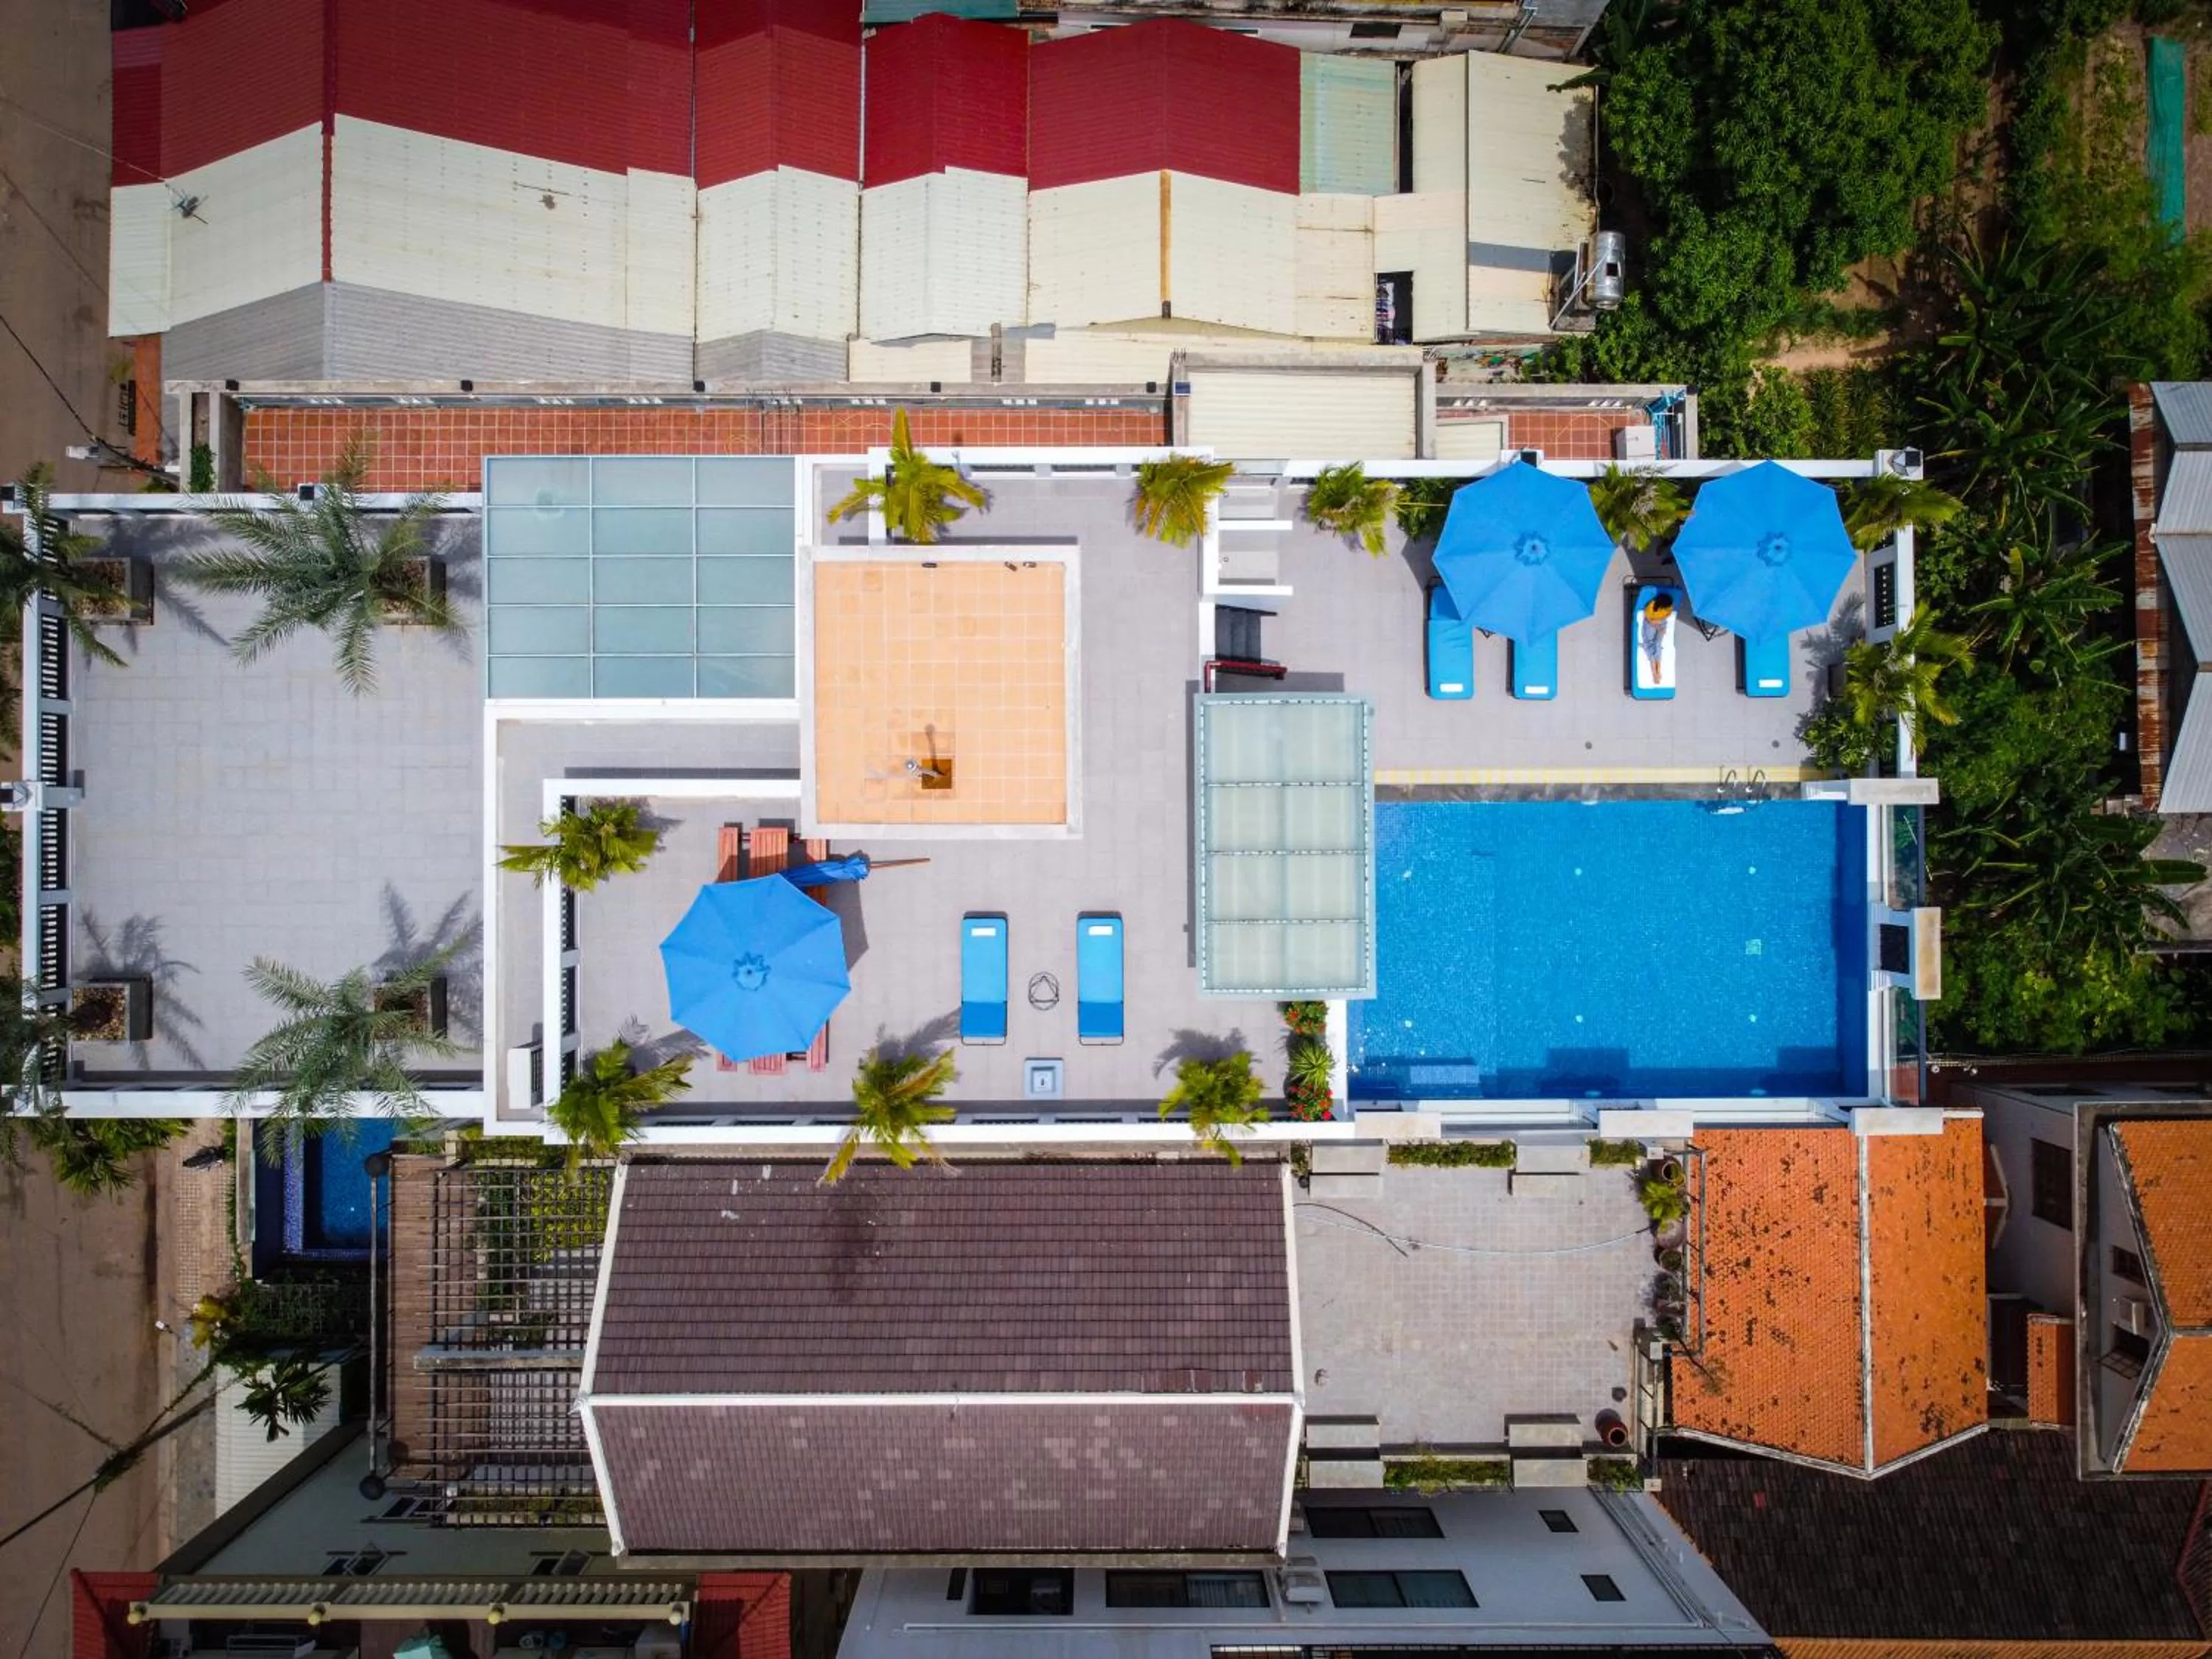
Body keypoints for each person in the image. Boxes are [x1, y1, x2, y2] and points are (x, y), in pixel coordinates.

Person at [1639, 591, 1676, 685]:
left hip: (1661, 623)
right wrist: (1658, 627)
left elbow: (1667, 615)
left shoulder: (1669, 607)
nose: (1670, 607)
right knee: (1650, 643)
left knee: (1657, 644)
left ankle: (1657, 670)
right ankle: (1655, 672)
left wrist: (1661, 627)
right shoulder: (1651, 607)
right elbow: (1648, 619)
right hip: (1651, 623)